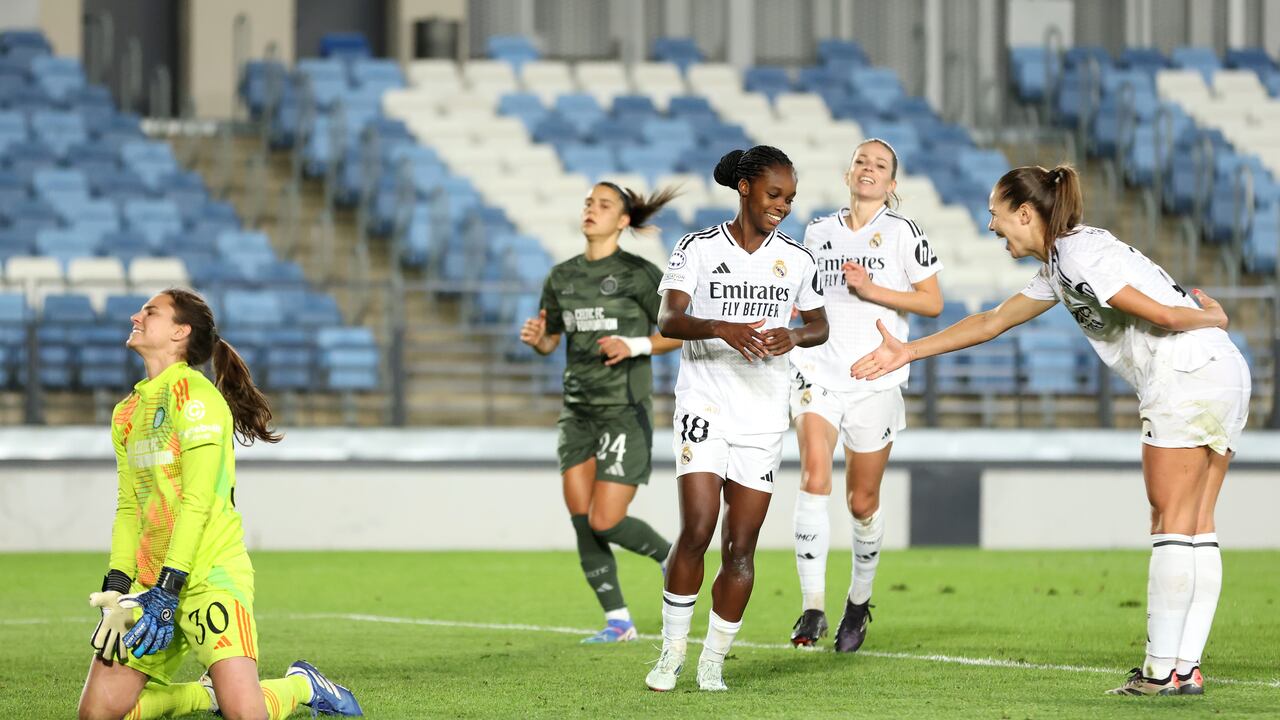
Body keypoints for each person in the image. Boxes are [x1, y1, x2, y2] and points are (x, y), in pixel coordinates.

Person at [852, 165, 1249, 697]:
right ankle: (1185, 668)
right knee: (1197, 522)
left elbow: (1164, 316)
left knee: (1171, 520)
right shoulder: (1064, 262)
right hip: (1221, 372)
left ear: (1025, 212)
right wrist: (910, 351)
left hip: (1185, 370)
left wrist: (1212, 319)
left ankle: (1159, 672)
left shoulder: (1078, 256)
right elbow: (993, 320)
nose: (992, 226)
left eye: (996, 215)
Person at [78, 288, 363, 720]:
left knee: (246, 715)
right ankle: (206, 695)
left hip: (210, 577)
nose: (136, 316)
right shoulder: (126, 412)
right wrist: (118, 589)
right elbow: (128, 507)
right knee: (97, 715)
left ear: (180, 332)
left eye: (150, 311)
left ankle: (302, 684)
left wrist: (168, 591)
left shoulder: (197, 399)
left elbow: (198, 501)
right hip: (154, 585)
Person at [646, 146, 829, 692]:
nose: (783, 206)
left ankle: (713, 660)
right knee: (698, 529)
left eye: (791, 199)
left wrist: (791, 335)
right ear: (745, 188)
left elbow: (818, 325)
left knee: (741, 548)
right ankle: (672, 650)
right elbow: (670, 318)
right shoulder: (696, 248)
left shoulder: (796, 259)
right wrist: (723, 328)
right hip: (704, 405)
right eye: (775, 194)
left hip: (764, 415)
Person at [787, 138, 943, 651]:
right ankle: (812, 606)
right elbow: (805, 299)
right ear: (847, 172)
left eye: (879, 165)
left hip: (875, 379)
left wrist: (873, 291)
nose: (867, 169)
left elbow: (933, 302)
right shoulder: (817, 230)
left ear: (892, 184)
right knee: (813, 474)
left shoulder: (903, 233)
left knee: (861, 501)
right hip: (817, 372)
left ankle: (858, 601)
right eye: (860, 161)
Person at [519, 181, 683, 643]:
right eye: (589, 202)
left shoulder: (640, 273)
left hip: (623, 410)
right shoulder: (561, 276)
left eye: (604, 204)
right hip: (577, 412)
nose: (592, 209)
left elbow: (679, 331)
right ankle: (618, 621)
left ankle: (673, 557)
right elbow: (551, 340)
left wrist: (633, 344)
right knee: (580, 516)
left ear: (623, 220)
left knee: (605, 520)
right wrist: (539, 341)